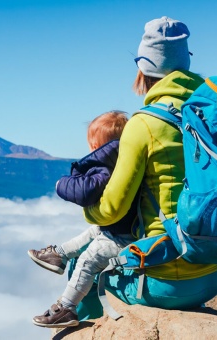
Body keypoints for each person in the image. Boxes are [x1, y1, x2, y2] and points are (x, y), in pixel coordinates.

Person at [81, 16, 217, 312]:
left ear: (143, 67)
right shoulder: (214, 111)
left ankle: (84, 326)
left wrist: (88, 210)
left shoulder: (143, 124)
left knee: (84, 260)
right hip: (216, 272)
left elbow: (112, 209)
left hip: (165, 281)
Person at [28, 111, 138, 328]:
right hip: (122, 228)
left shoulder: (108, 166)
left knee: (87, 260)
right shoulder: (127, 162)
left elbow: (86, 191)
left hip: (123, 238)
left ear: (98, 145)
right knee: (95, 231)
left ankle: (67, 308)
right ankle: (58, 255)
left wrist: (62, 184)